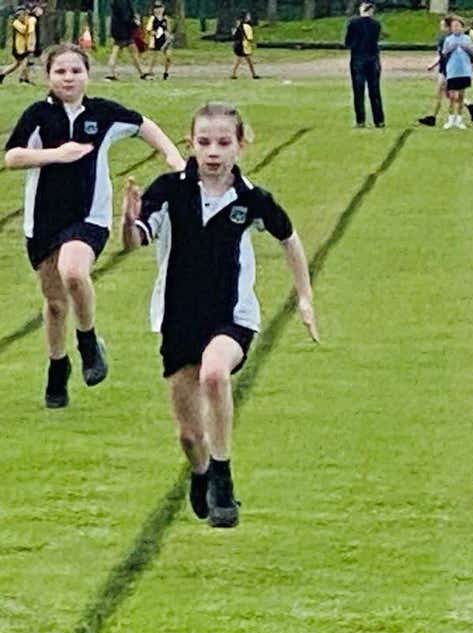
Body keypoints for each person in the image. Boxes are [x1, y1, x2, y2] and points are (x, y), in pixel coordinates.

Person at [120, 102, 319, 528]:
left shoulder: (251, 198)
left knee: (214, 374)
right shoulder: (170, 190)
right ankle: (201, 471)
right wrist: (128, 221)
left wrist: (304, 296)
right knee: (190, 437)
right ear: (189, 144)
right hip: (177, 319)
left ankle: (223, 476)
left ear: (241, 146)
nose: (213, 152)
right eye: (204, 142)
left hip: (233, 317)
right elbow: (136, 240)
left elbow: (290, 239)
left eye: (224, 142)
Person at [3, 43, 184, 409]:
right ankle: (58, 367)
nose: (68, 78)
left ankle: (87, 341)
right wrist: (57, 154)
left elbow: (143, 125)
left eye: (75, 71)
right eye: (60, 72)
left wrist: (173, 155)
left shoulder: (102, 114)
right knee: (54, 304)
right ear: (48, 76)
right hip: (43, 223)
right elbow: (12, 157)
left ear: (88, 74)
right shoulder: (38, 114)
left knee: (73, 272)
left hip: (89, 218)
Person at [344, 2, 384, 128]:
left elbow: (347, 42)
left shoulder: (353, 23)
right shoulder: (376, 24)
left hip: (358, 59)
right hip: (373, 59)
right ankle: (379, 120)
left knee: (358, 91)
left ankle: (360, 120)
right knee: (375, 90)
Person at [442, 16, 473, 130]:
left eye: (458, 26)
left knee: (461, 95)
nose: (456, 28)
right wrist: (451, 48)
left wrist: (466, 48)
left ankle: (459, 119)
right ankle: (450, 118)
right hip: (452, 70)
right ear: (451, 28)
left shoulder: (466, 38)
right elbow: (444, 52)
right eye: (454, 26)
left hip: (464, 70)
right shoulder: (448, 39)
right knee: (452, 96)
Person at [106, 0, 147, 80]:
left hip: (120, 29)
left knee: (131, 50)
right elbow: (125, 16)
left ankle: (142, 72)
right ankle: (110, 73)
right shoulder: (122, 2)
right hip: (124, 30)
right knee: (117, 51)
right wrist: (134, 23)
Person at [0, 6, 31, 85]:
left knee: (16, 64)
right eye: (21, 15)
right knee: (24, 62)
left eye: (24, 14)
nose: (23, 16)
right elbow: (23, 30)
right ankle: (23, 80)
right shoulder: (16, 22)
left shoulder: (23, 22)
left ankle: (2, 74)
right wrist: (27, 21)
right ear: (17, 15)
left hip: (23, 47)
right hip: (18, 47)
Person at [144, 1, 172, 80]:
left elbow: (168, 30)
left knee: (168, 57)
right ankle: (149, 71)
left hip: (164, 41)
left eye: (160, 8)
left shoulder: (166, 19)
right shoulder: (152, 19)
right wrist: (152, 33)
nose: (158, 10)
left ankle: (166, 72)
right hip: (155, 40)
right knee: (153, 57)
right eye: (156, 8)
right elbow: (148, 30)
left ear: (163, 9)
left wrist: (168, 35)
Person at [230, 11, 258, 79]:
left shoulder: (238, 26)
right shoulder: (247, 26)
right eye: (248, 16)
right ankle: (234, 74)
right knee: (241, 60)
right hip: (243, 46)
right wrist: (252, 44)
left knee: (244, 60)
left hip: (237, 45)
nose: (249, 17)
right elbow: (250, 38)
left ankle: (253, 74)